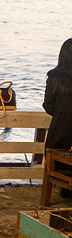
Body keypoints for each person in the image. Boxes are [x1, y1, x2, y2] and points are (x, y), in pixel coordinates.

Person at [44, 38, 72, 195]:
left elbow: (49, 106)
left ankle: (64, 185)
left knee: (55, 149)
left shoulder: (54, 76)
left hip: (59, 138)